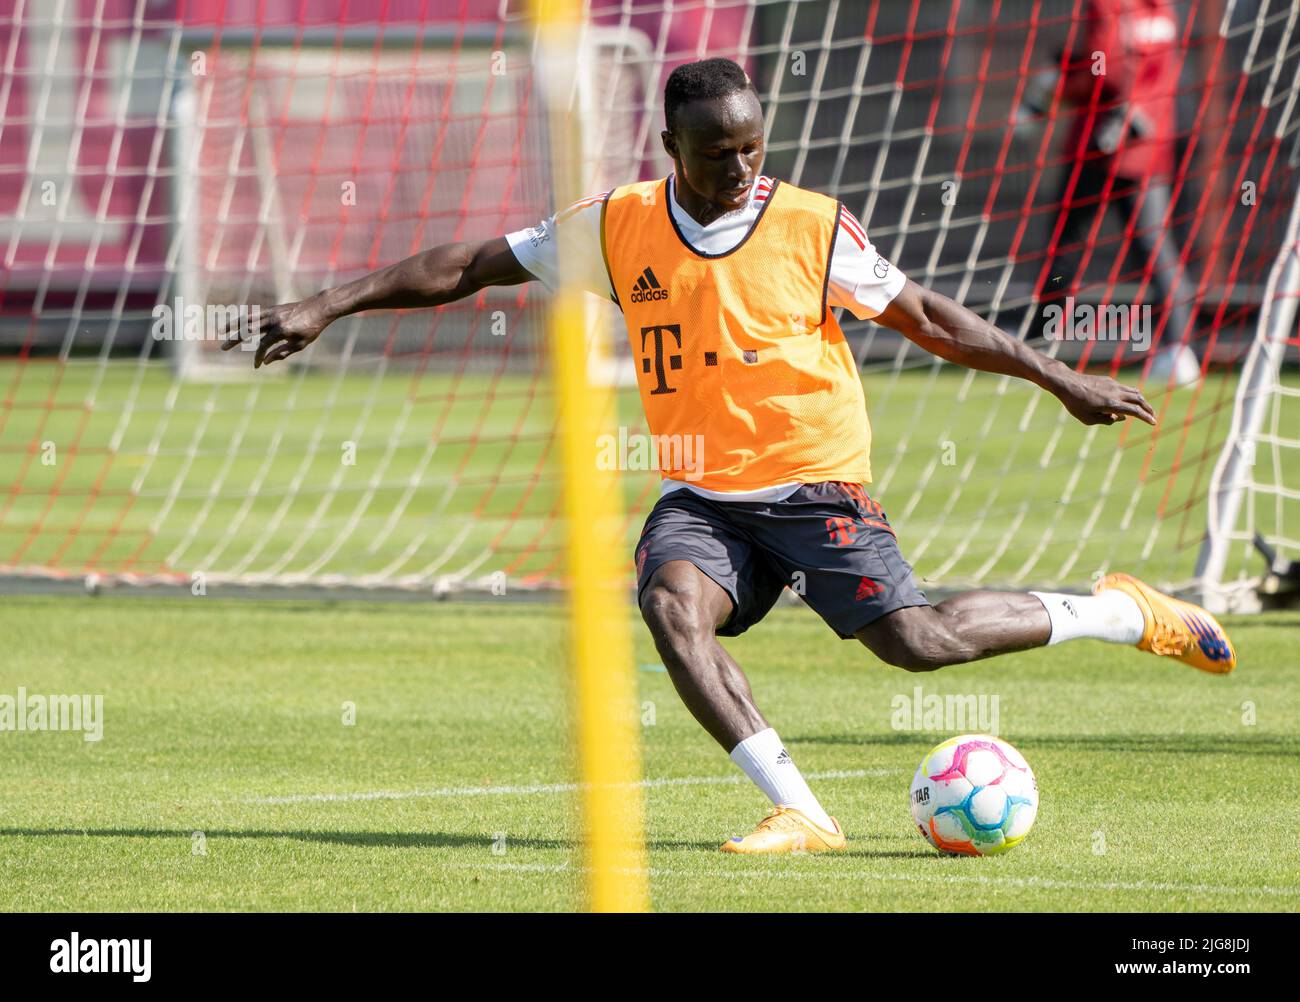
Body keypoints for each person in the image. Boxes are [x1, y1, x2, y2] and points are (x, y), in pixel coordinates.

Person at [221, 57, 1236, 856]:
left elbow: (926, 315)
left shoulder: (806, 226)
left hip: (814, 480)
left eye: (752, 147)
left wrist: (1058, 376)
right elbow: (465, 266)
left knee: (915, 645)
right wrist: (324, 303)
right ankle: (800, 811)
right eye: (718, 153)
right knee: (668, 604)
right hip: (704, 494)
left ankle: (1116, 611)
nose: (742, 169)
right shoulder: (618, 226)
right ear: (672, 145)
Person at [1035, 0, 1201, 386]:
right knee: (1155, 247)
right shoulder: (1163, 9)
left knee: (1066, 244)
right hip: (1147, 144)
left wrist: (1056, 84)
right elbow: (1159, 72)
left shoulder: (1106, 5)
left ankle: (1040, 341)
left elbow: (1102, 72)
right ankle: (1180, 350)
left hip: (1098, 144)